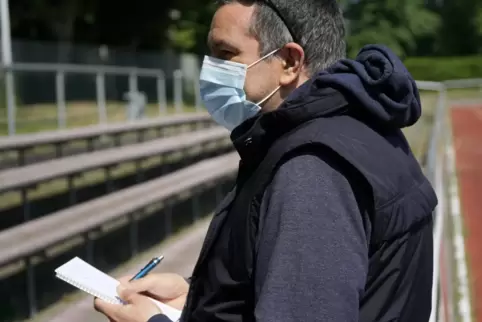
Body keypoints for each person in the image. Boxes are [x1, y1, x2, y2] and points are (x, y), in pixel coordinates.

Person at [94, 0, 438, 321]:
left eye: (225, 53)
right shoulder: (357, 127)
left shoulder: (313, 169)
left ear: (289, 63)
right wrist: (196, 295)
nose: (210, 69)